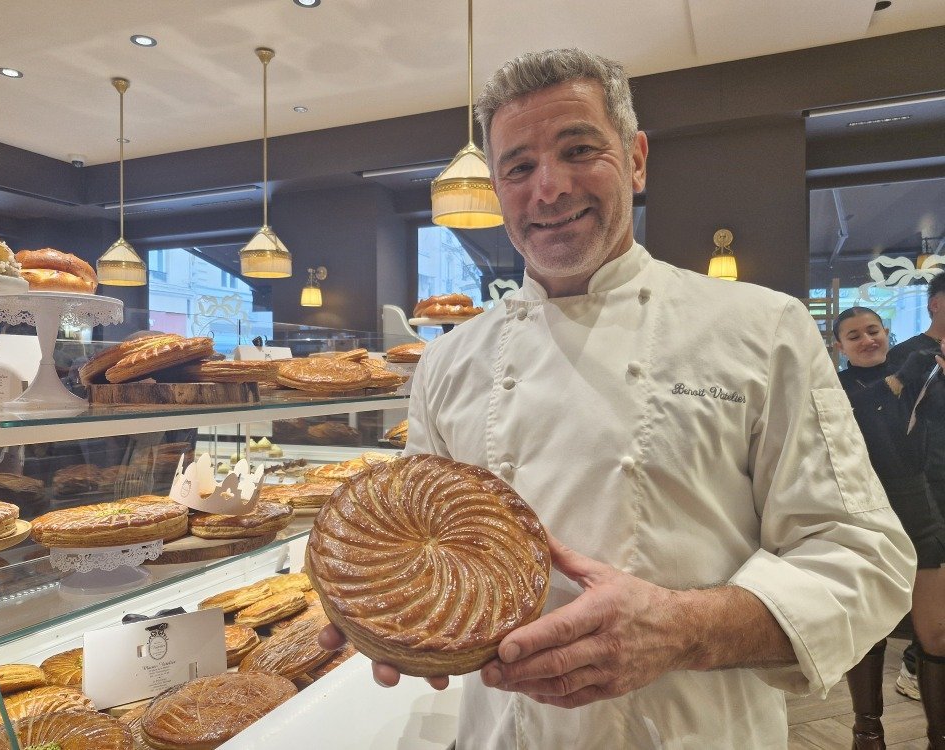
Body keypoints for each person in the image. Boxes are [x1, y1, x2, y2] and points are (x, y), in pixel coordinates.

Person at [319, 48, 916, 748]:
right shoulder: (449, 361)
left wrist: (681, 630)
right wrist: (391, 612)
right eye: (518, 167)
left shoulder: (762, 329)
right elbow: (419, 538)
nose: (548, 189)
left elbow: (864, 558)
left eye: (579, 150)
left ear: (635, 159)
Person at [834, 306, 945, 748]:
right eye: (854, 335)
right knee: (869, 631)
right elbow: (869, 406)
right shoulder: (834, 389)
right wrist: (906, 376)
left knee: (936, 631)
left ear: (886, 333)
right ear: (839, 347)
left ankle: (939, 736)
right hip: (865, 513)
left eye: (873, 331)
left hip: (917, 506)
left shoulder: (922, 376)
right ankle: (868, 733)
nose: (867, 340)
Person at [886, 270, 945, 701]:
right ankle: (914, 666)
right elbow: (888, 416)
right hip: (926, 482)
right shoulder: (908, 354)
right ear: (935, 304)